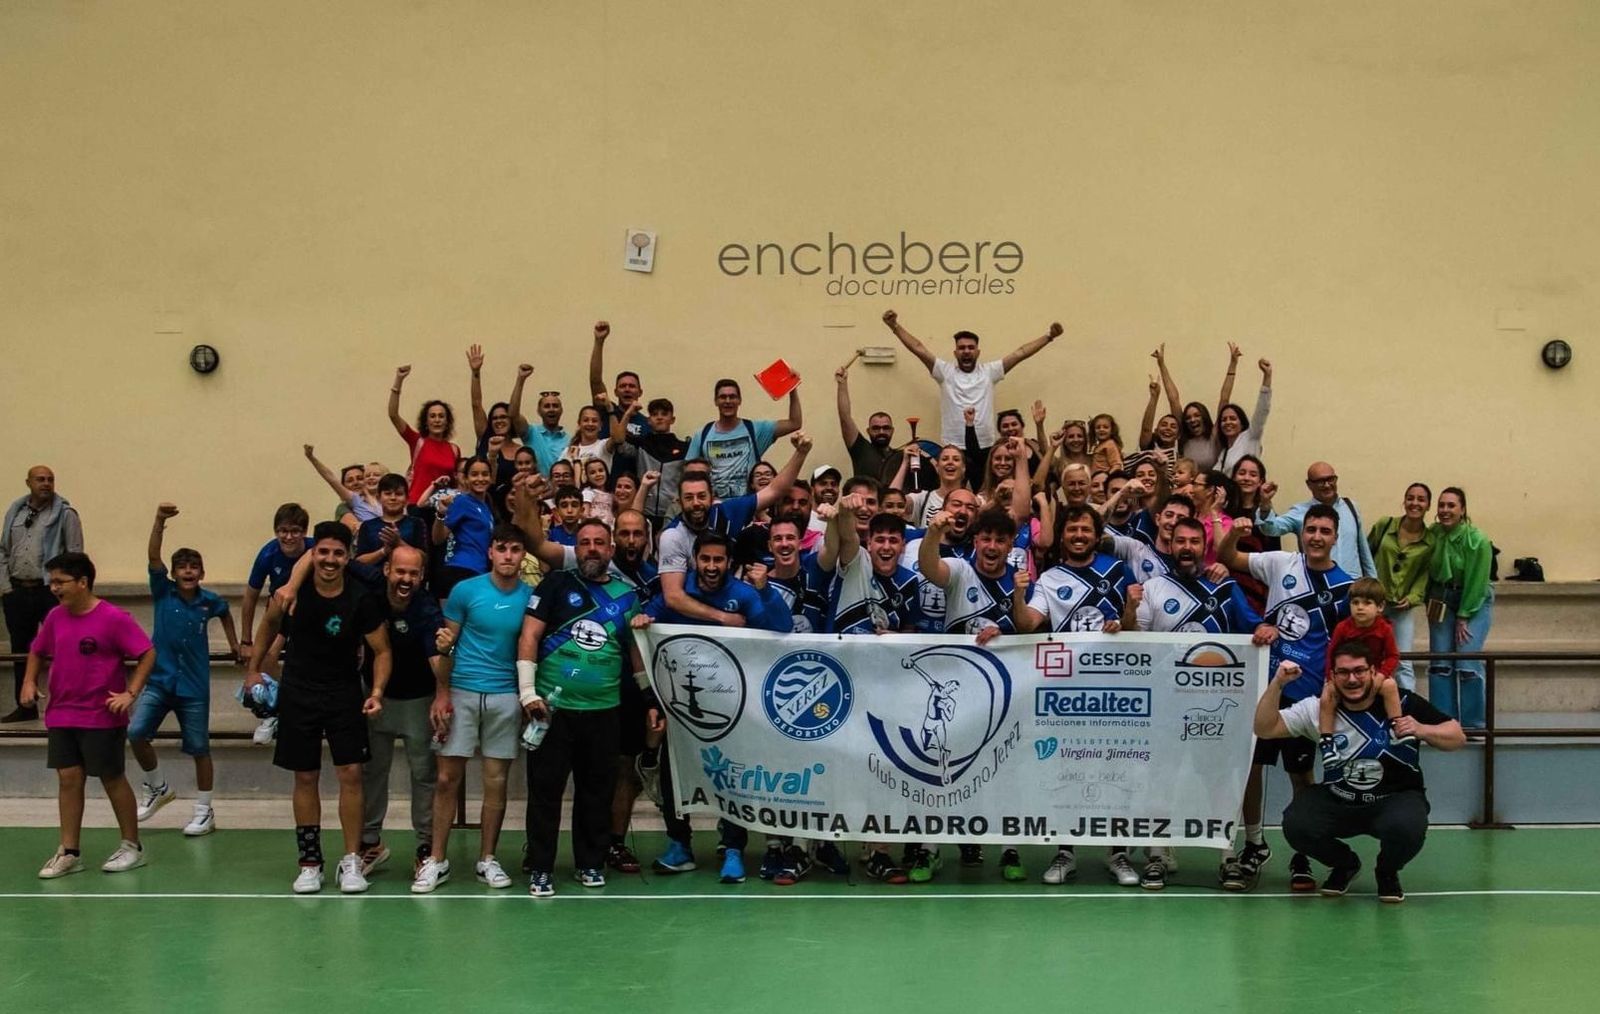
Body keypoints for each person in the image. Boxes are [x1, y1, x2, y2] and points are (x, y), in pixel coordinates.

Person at [1255, 641, 1466, 902]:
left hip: (1394, 799)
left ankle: (1387, 871)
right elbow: (1264, 728)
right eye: (1343, 672)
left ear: (1374, 672)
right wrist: (1277, 684)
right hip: (1339, 799)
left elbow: (1457, 736)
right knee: (1297, 824)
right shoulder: (1317, 708)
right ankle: (1344, 864)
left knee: (1407, 827)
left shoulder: (1403, 703)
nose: (1352, 679)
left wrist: (1422, 729)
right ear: (1332, 676)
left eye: (1359, 671)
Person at [244, 522, 391, 894]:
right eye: (323, 552)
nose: (329, 559)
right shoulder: (291, 595)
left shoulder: (360, 598)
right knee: (305, 776)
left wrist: (376, 690)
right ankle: (310, 862)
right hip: (298, 693)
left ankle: (352, 861)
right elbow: (267, 629)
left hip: (343, 694)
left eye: (338, 553)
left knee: (351, 774)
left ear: (348, 557)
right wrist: (253, 671)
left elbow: (383, 650)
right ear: (314, 555)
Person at [636, 531, 791, 883]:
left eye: (718, 560)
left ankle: (733, 848)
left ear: (728, 563)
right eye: (705, 559)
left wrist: (765, 590)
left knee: (730, 774)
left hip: (730, 706)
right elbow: (646, 619)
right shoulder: (676, 594)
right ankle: (679, 846)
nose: (710, 566)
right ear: (696, 560)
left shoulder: (742, 594)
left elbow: (779, 628)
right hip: (681, 706)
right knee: (672, 773)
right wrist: (644, 621)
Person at [1217, 506, 1354, 893]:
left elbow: (1345, 646)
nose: (1316, 536)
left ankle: (1303, 852)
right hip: (1267, 690)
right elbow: (1229, 558)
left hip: (1306, 697)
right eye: (1310, 529)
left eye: (1324, 530)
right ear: (1301, 532)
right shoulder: (1280, 563)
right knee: (1253, 769)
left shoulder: (1346, 588)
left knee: (1301, 777)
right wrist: (1232, 533)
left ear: (1335, 537)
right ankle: (1255, 843)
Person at [1127, 515, 1262, 890]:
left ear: (1205, 547)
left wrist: (1264, 630)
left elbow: (1253, 626)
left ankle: (1227, 855)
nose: (1186, 548)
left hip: (1216, 703)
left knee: (1221, 780)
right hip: (1166, 705)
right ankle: (1157, 854)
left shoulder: (1225, 585)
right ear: (1169, 546)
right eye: (1179, 541)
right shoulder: (1153, 588)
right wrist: (1127, 609)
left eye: (1194, 542)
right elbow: (1135, 638)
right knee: (1161, 779)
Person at [516, 518, 647, 897]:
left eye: (599, 543)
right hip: (552, 710)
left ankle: (590, 862)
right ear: (577, 549)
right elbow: (529, 635)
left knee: (596, 793)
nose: (592, 548)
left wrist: (649, 698)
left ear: (610, 550)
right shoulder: (556, 583)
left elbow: (636, 656)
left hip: (605, 712)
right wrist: (527, 693)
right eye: (585, 542)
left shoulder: (627, 595)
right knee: (545, 792)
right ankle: (541, 867)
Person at [412, 524, 532, 894]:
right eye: (502, 548)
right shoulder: (466, 591)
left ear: (522, 555)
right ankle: (436, 860)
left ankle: (487, 859)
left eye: (515, 550)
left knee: (495, 782)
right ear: (490, 552)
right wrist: (441, 693)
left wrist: (527, 696)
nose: (508, 556)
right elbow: (445, 647)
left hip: (504, 696)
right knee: (447, 779)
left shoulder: (531, 597)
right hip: (461, 692)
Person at [24, 551, 156, 878]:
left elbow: (147, 653)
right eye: (51, 581)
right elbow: (37, 650)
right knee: (68, 780)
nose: (54, 588)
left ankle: (131, 846)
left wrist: (131, 693)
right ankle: (69, 851)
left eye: (60, 582)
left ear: (83, 583)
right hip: (62, 713)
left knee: (111, 778)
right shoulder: (55, 617)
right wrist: (28, 681)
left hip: (101, 714)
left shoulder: (114, 618)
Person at [915, 506, 1023, 883]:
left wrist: (1004, 638)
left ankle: (1010, 849)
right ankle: (931, 850)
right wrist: (933, 534)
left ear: (1011, 544)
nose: (992, 546)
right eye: (986, 538)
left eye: (1000, 539)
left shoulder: (1022, 583)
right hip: (956, 697)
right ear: (976, 541)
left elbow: (1033, 633)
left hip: (1003, 699)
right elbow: (930, 567)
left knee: (1002, 774)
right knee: (945, 772)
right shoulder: (960, 571)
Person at [129, 504, 241, 838]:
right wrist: (160, 521)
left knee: (199, 748)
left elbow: (226, 613)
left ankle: (205, 810)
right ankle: (157, 786)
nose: (188, 571)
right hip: (159, 681)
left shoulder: (210, 601)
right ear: (174, 573)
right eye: (182, 567)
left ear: (202, 573)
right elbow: (152, 556)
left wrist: (237, 644)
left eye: (194, 567)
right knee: (135, 732)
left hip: (193, 687)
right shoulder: (162, 592)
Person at [825, 498, 919, 884]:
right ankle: (822, 843)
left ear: (902, 544)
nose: (885, 546)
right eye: (878, 538)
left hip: (887, 690)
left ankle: (879, 851)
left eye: (892, 540)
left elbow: (915, 637)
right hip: (845, 685)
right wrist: (845, 512)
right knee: (840, 768)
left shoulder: (911, 582)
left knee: (886, 769)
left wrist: (897, 639)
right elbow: (847, 537)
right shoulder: (857, 564)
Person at [359, 545, 443, 878]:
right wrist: (291, 587)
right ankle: (369, 844)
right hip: (374, 699)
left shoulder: (426, 609)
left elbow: (436, 656)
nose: (405, 579)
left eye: (413, 573)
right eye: (400, 571)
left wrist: (443, 693)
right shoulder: (370, 588)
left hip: (418, 701)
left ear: (422, 577)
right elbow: (327, 555)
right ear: (386, 570)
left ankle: (426, 848)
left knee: (424, 775)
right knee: (371, 772)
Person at [881, 308, 1063, 449]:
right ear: (955, 352)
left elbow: (1020, 353)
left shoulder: (989, 372)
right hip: (954, 447)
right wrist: (894, 326)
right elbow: (918, 348)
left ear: (977, 351)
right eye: (962, 348)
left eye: (970, 347)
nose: (966, 351)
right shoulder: (945, 372)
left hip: (985, 446)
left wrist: (1049, 336)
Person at [2, 465, 85, 722]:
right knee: (20, 650)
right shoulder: (15, 512)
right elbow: (3, 551)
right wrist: (6, 588)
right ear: (28, 482)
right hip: (17, 590)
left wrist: (66, 591)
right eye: (40, 479)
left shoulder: (66, 514)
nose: (46, 484)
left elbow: (75, 556)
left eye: (50, 479)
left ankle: (68, 702)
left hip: (51, 592)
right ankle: (25, 706)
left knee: (63, 647)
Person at [239, 503, 311, 743]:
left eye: (294, 531)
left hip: (310, 613)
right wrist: (246, 639)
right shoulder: (269, 554)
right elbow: (250, 597)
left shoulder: (314, 550)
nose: (288, 536)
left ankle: (302, 703)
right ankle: (278, 708)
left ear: (304, 532)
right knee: (266, 656)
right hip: (279, 612)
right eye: (282, 531)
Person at [1426, 487, 1494, 728]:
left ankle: (1474, 725)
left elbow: (1477, 581)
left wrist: (1464, 616)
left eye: (1451, 505)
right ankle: (1443, 721)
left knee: (1466, 662)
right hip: (1440, 599)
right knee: (1440, 663)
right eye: (1441, 505)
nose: (1445, 510)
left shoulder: (1477, 540)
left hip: (1472, 602)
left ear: (1463, 509)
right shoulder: (1433, 534)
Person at [1320, 577, 1406, 753]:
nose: (1360, 607)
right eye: (1355, 602)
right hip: (1346, 676)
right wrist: (1330, 678)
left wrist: (1382, 675)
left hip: (1374, 675)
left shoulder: (1385, 629)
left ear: (1380, 607)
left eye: (1367, 603)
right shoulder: (1342, 628)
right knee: (1327, 695)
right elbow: (1331, 654)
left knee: (1390, 685)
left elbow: (1392, 656)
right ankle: (1327, 740)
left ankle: (1396, 727)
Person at [1253, 461, 1378, 579]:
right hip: (1318, 584)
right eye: (1321, 481)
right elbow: (1270, 529)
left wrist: (1373, 581)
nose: (1327, 485)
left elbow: (1363, 549)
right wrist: (1265, 504)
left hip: (1352, 584)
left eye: (1331, 479)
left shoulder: (1351, 506)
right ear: (1309, 484)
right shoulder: (1300, 512)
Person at [687, 378, 803, 499]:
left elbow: (794, 423)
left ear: (739, 400)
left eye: (732, 397)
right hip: (715, 507)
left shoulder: (755, 429)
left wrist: (792, 388)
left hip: (750, 507)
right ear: (716, 401)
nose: (728, 401)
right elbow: (687, 472)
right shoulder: (702, 434)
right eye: (723, 397)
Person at [1367, 483, 1434, 690]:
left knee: (1403, 661)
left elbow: (1425, 573)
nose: (1415, 503)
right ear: (1404, 501)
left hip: (1401, 608)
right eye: (1410, 498)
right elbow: (1366, 555)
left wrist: (1413, 598)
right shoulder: (1384, 526)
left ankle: (1407, 710)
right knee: (1370, 657)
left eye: (1421, 499)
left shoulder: (1430, 541)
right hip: (1373, 605)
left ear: (1428, 505)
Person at [1152, 341, 1242, 472]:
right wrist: (1161, 364)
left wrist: (1233, 364)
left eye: (1196, 415)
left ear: (1204, 417)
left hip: (1210, 488)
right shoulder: (1183, 438)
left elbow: (1224, 398)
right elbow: (1174, 400)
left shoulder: (1214, 436)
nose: (1192, 420)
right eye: (1188, 418)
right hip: (1185, 488)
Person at [388, 366, 462, 505]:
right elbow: (393, 415)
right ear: (426, 421)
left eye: (441, 416)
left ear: (447, 422)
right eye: (432, 416)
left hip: (443, 507)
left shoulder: (454, 449)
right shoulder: (417, 441)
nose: (437, 420)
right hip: (418, 505)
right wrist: (398, 380)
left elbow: (456, 481)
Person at [614, 396, 689, 530]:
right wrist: (628, 414)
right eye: (654, 414)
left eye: (664, 414)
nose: (659, 417)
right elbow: (618, 440)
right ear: (648, 420)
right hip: (644, 510)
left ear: (672, 419)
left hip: (672, 512)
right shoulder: (641, 445)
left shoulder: (684, 448)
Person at [431, 457, 497, 596]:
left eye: (485, 474)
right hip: (460, 570)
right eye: (474, 474)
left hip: (480, 572)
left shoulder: (486, 507)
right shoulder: (462, 501)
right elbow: (438, 538)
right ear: (466, 478)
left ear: (491, 478)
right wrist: (441, 514)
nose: (480, 478)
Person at [587, 320, 644, 476]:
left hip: (631, 488)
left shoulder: (647, 423)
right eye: (622, 386)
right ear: (615, 391)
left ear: (640, 392)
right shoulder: (606, 411)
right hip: (603, 484)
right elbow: (595, 381)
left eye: (631, 386)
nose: (627, 389)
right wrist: (599, 341)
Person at [835, 359, 902, 488]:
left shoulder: (900, 457)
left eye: (886, 428)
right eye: (876, 428)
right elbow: (845, 417)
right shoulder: (860, 449)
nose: (881, 432)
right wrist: (842, 384)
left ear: (892, 430)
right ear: (868, 431)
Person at [354, 474, 430, 568]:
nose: (393, 498)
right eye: (388, 493)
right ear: (379, 498)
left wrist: (399, 543)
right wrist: (384, 551)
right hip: (372, 580)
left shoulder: (416, 523)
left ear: (407, 499)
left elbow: (424, 559)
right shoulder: (367, 526)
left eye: (398, 494)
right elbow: (359, 562)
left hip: (407, 579)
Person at [1216, 357, 1273, 473]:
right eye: (1224, 419)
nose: (1228, 422)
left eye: (1232, 419)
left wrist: (1267, 377)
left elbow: (1262, 410)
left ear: (1241, 423)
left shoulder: (1251, 437)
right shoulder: (1224, 452)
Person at [303, 446, 379, 530]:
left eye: (360, 478)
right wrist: (312, 458)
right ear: (343, 486)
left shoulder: (384, 499)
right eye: (350, 481)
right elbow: (331, 478)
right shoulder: (353, 502)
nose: (356, 483)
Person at [511, 370, 570, 477]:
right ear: (539, 411)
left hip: (562, 491)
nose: (551, 409)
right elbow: (513, 414)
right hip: (537, 490)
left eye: (555, 406)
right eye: (547, 406)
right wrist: (520, 380)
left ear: (561, 410)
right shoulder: (531, 433)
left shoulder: (570, 440)